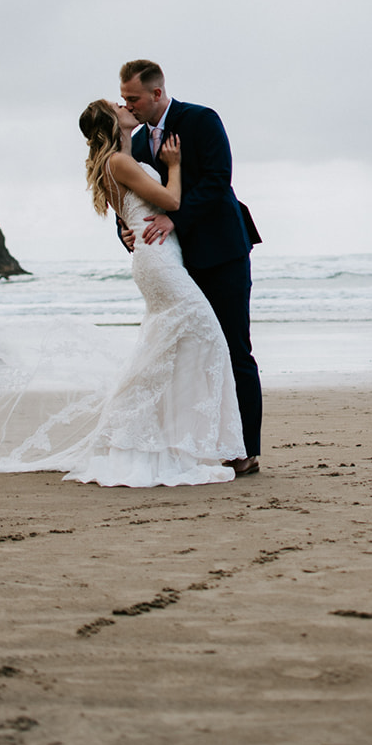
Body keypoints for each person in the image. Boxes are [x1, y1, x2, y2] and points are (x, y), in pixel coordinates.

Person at [0, 99, 246, 487]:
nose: (123, 105)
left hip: (158, 258)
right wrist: (176, 166)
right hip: (160, 262)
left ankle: (165, 440)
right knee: (206, 339)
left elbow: (132, 215)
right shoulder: (119, 161)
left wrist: (137, 219)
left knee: (167, 349)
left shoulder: (119, 161)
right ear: (112, 124)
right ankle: (164, 440)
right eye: (117, 106)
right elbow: (172, 202)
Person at [116, 60, 261, 475]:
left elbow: (218, 180)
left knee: (234, 348)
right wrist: (124, 231)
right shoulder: (137, 143)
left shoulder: (200, 119)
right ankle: (196, 443)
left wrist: (175, 219)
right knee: (189, 354)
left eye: (133, 98)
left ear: (157, 93)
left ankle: (245, 450)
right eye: (124, 98)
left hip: (221, 252)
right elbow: (130, 196)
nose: (128, 104)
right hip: (174, 262)